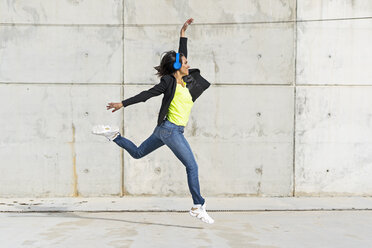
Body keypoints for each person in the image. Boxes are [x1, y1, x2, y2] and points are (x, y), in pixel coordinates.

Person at [92, 18, 214, 224]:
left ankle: (113, 135)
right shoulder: (168, 82)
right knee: (192, 166)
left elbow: (182, 54)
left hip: (166, 130)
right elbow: (146, 94)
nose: (188, 64)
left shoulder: (185, 80)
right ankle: (197, 206)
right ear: (177, 66)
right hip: (170, 131)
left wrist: (183, 33)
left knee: (138, 153)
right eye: (185, 63)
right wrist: (123, 103)